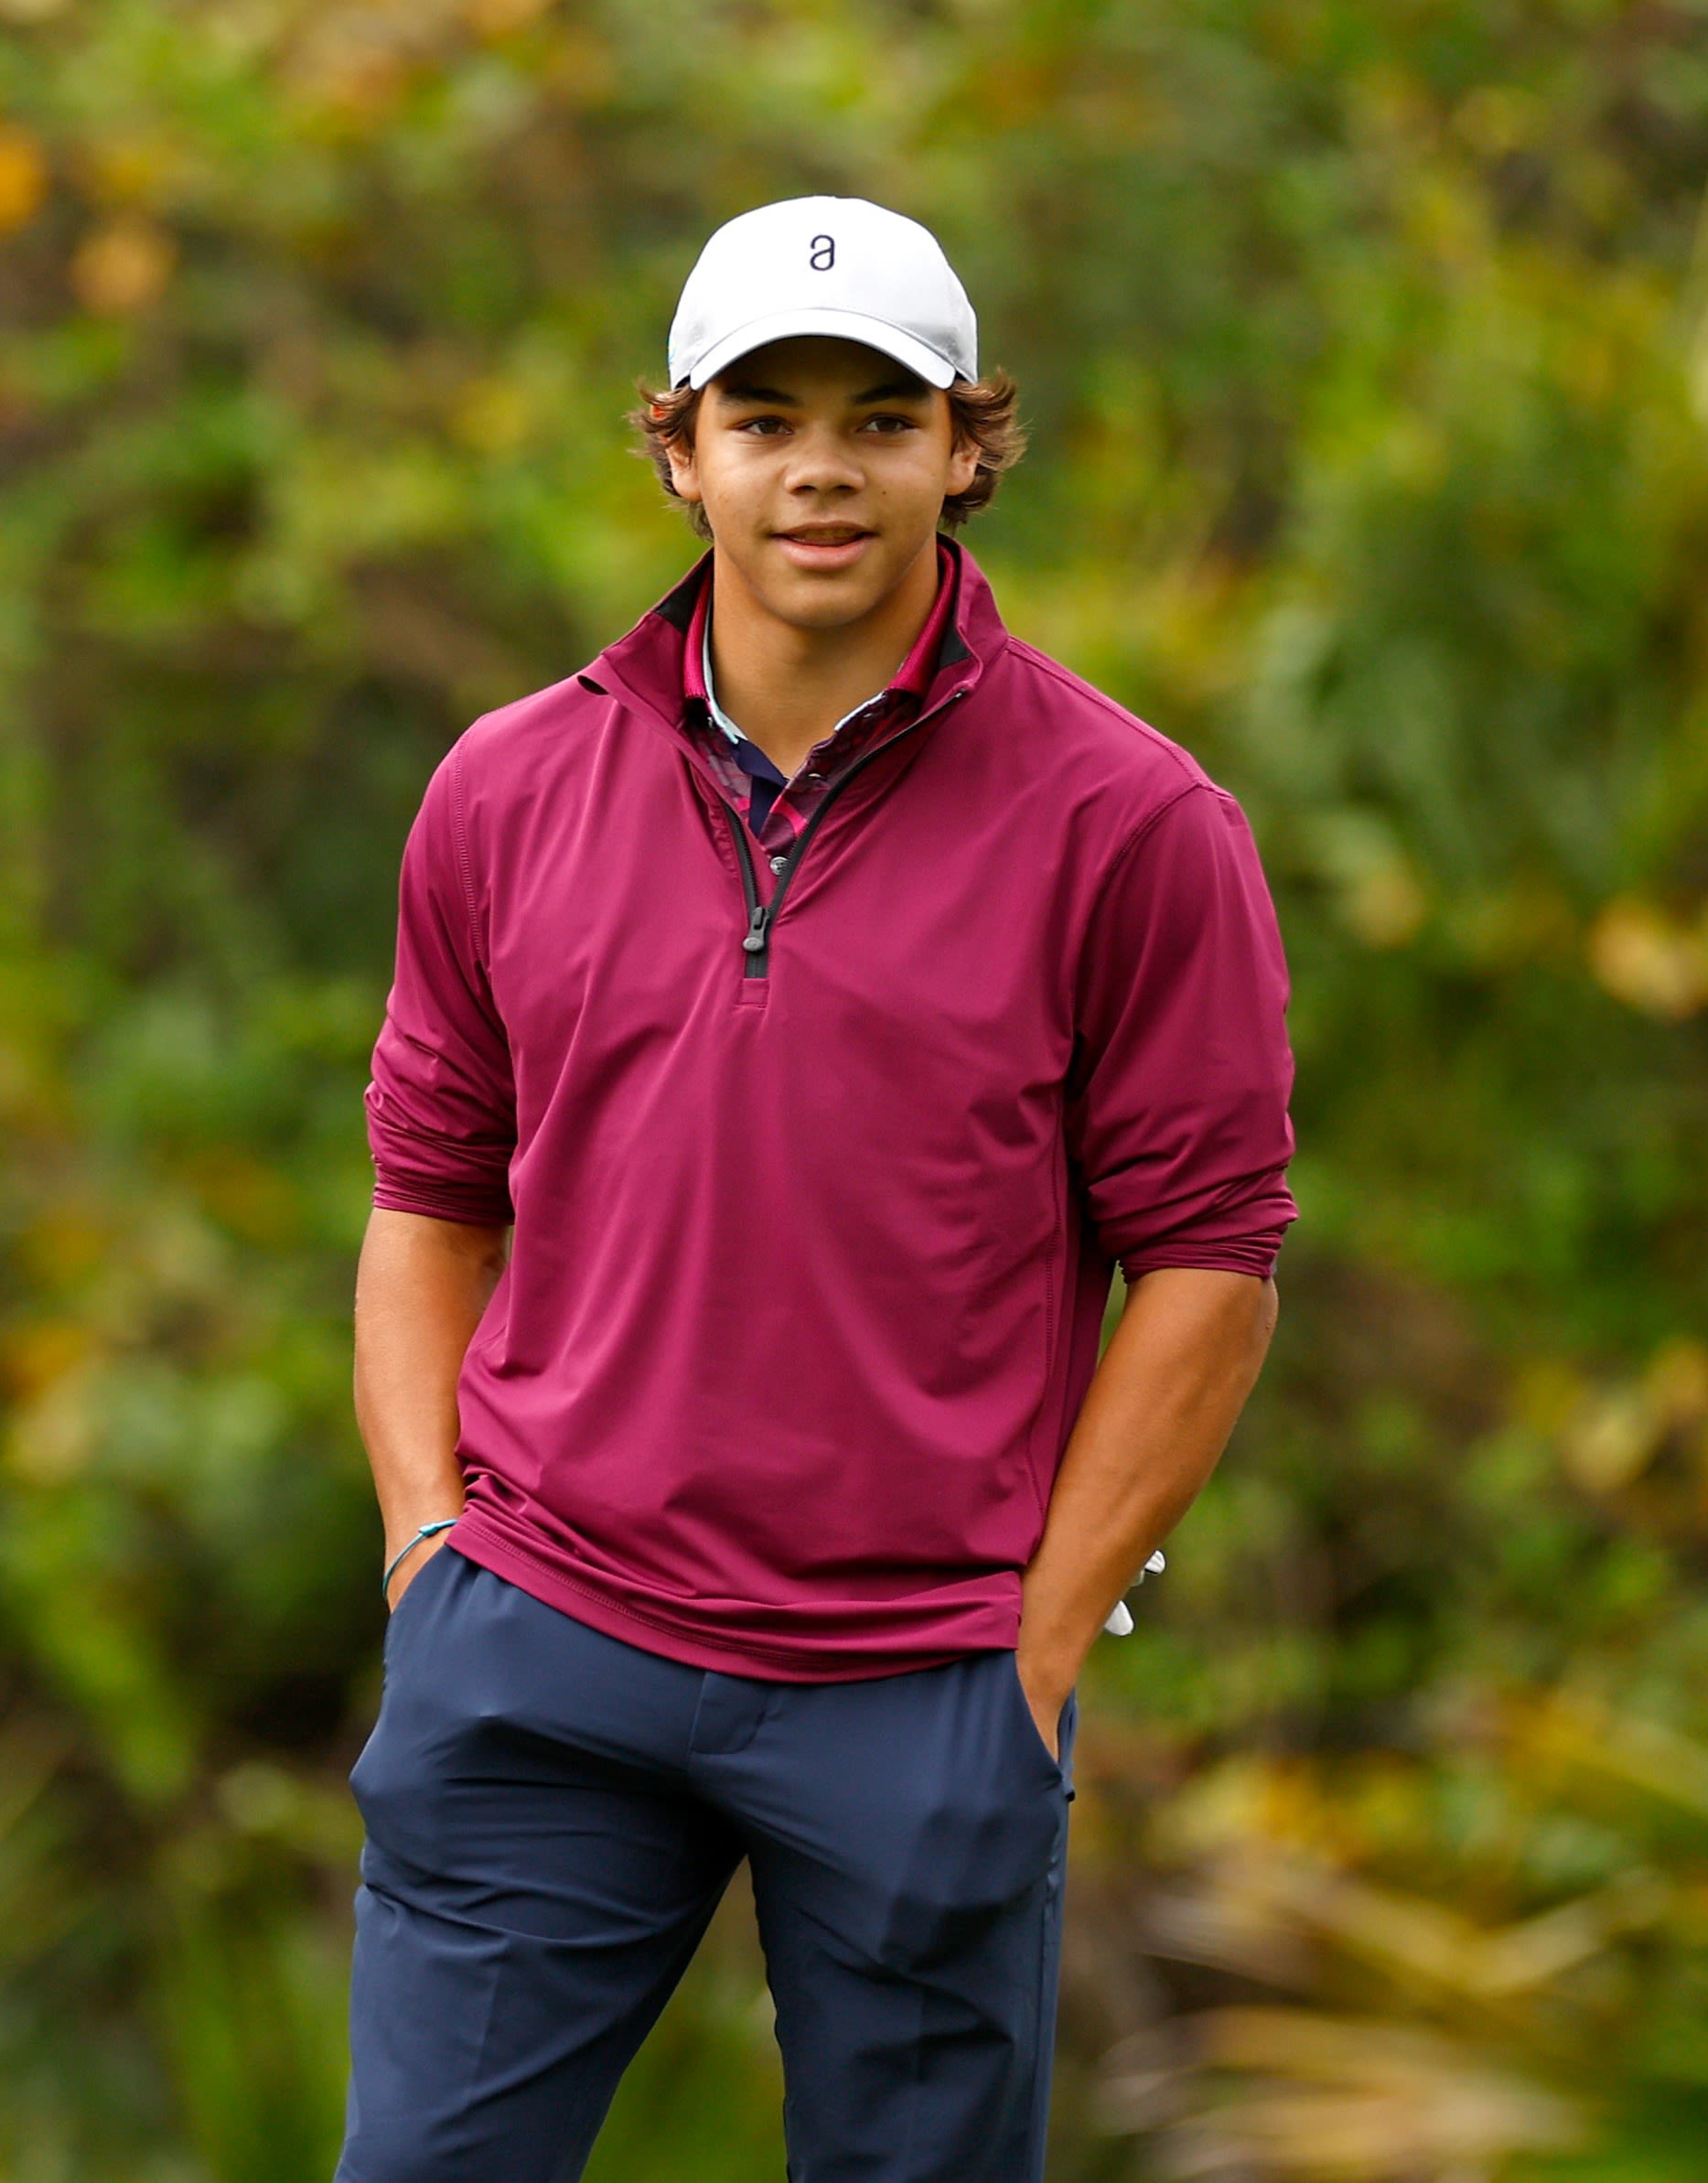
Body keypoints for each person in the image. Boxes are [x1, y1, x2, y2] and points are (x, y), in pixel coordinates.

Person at [338, 197, 1294, 2180]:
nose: (821, 470)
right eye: (764, 418)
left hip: (917, 1683)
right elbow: (427, 1199)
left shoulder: (1133, 824)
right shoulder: (505, 787)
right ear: (682, 451)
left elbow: (1209, 1267)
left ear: (964, 450)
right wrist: (431, 1552)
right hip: (543, 1647)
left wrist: (1032, 1654)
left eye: (880, 418)